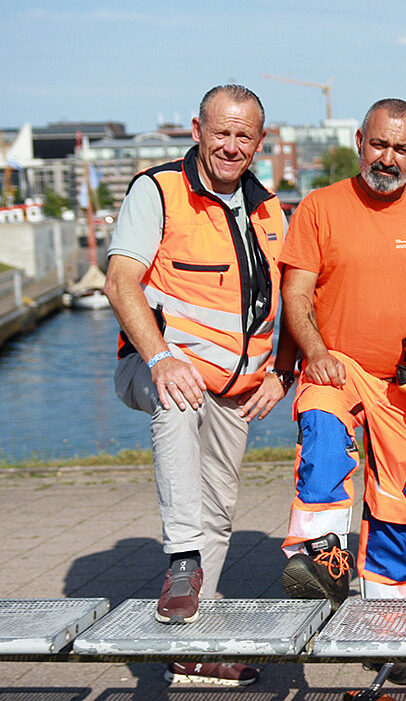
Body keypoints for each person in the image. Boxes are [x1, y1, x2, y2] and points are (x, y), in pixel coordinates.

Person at [278, 98, 406, 688]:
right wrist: (314, 352)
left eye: (402, 149)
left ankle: (394, 633)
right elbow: (296, 292)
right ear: (361, 140)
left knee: (392, 506)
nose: (387, 159)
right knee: (322, 435)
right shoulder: (320, 207)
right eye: (379, 145)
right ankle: (322, 557)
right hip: (335, 364)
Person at [104, 84, 296, 688]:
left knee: (219, 510)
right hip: (156, 370)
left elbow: (292, 303)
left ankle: (194, 652)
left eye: (244, 136)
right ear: (197, 129)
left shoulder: (270, 211)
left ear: (260, 143)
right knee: (177, 402)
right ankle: (181, 557)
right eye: (221, 132)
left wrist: (283, 371)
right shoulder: (158, 192)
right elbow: (120, 282)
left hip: (236, 390)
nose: (231, 146)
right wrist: (160, 357)